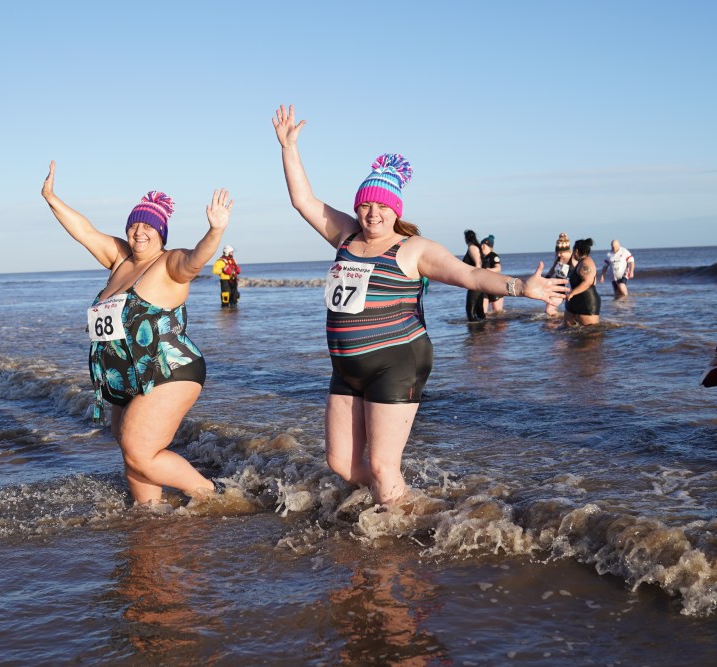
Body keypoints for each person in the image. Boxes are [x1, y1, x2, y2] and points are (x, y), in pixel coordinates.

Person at [271, 104, 567, 505]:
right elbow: (303, 200)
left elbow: (470, 276)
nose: (372, 213)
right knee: (341, 463)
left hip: (396, 360)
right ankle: (409, 510)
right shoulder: (345, 235)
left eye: (381, 206)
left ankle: (400, 531)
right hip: (345, 366)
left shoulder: (414, 250)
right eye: (365, 205)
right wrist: (289, 147)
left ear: (396, 210)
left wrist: (518, 286)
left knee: (381, 465)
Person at [41, 161, 233, 505]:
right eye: (134, 225)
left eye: (148, 226)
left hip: (168, 370)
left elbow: (194, 261)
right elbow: (84, 231)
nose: (139, 231)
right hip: (125, 376)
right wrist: (51, 198)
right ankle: (149, 514)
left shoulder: (168, 262)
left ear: (162, 232)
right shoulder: (120, 259)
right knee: (132, 450)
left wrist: (215, 232)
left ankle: (214, 496)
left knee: (138, 449)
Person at [564, 238, 601, 326]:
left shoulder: (586, 264)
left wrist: (572, 293)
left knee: (590, 335)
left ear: (576, 251)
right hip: (574, 303)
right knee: (567, 331)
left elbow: (587, 282)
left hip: (587, 304)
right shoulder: (581, 262)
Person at [544, 232, 573, 317]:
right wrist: (546, 279)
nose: (558, 255)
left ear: (567, 250)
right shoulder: (559, 257)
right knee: (549, 310)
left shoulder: (574, 259)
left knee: (573, 313)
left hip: (570, 289)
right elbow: (553, 269)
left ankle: (562, 319)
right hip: (559, 287)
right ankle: (559, 320)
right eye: (557, 253)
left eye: (561, 253)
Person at [462, 230, 484, 321]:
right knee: (479, 308)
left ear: (466, 238)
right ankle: (482, 329)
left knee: (470, 308)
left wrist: (475, 280)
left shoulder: (472, 248)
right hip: (478, 281)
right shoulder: (475, 247)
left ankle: (474, 331)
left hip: (476, 282)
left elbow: (478, 264)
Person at [480, 235, 504, 314]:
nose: (482, 246)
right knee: (483, 312)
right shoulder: (480, 257)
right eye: (481, 244)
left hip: (494, 286)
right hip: (483, 287)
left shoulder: (493, 256)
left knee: (497, 312)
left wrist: (489, 270)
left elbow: (498, 268)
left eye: (484, 245)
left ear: (489, 246)